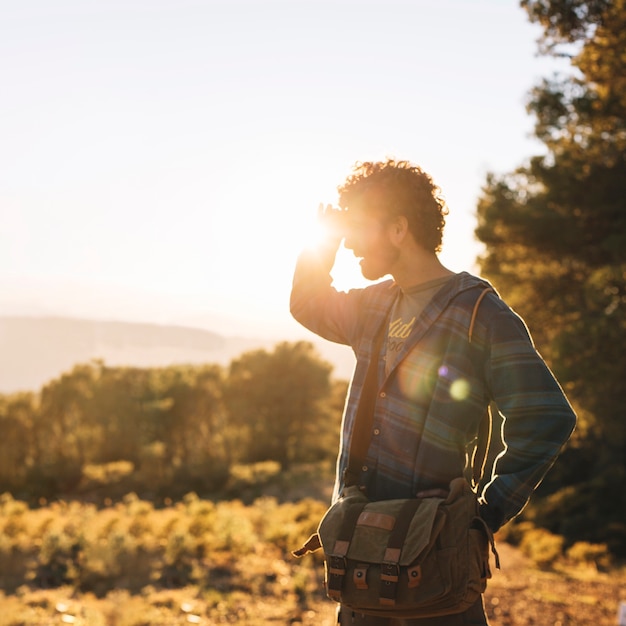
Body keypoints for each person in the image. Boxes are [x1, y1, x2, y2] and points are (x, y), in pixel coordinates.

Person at [289, 159, 577, 625]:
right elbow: (307, 303)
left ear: (399, 229)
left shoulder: (479, 312)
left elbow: (545, 418)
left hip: (436, 568)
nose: (352, 241)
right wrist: (323, 240)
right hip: (362, 560)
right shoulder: (373, 305)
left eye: (359, 227)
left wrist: (483, 517)